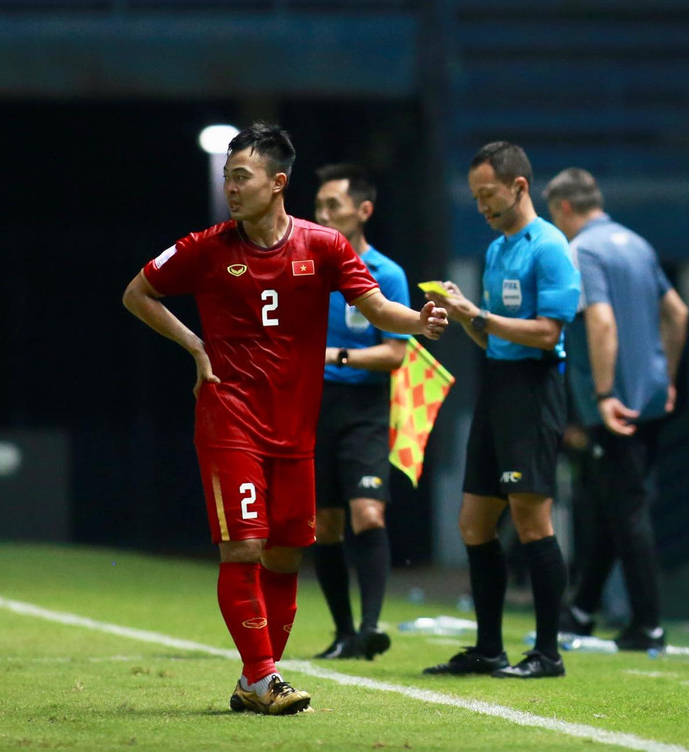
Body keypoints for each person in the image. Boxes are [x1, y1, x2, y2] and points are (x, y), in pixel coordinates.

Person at [122, 124, 447, 714]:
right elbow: (138, 293)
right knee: (243, 546)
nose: (230, 187)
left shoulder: (323, 247)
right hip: (230, 417)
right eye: (226, 176)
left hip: (295, 426)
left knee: (284, 553)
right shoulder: (205, 246)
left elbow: (374, 306)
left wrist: (420, 323)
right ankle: (264, 675)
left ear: (278, 183)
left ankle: (256, 682)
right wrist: (196, 347)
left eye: (240, 176)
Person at [422, 142, 581, 679]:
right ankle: (489, 649)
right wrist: (463, 314)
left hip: (535, 389)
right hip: (497, 384)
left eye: (488, 195)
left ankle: (549, 653)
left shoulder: (550, 248)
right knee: (473, 522)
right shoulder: (496, 250)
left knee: (532, 519)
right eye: (475, 197)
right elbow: (490, 340)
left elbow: (548, 333)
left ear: (519, 186)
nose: (481, 206)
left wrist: (479, 315)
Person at [543, 167, 689, 651]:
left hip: (614, 405)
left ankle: (647, 622)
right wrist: (666, 378)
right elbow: (678, 313)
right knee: (607, 501)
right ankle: (582, 608)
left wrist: (604, 396)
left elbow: (600, 321)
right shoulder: (637, 243)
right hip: (648, 397)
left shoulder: (582, 249)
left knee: (625, 507)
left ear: (564, 207)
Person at [308, 163, 411, 661]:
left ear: (363, 211)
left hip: (365, 406)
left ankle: (370, 628)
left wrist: (334, 355)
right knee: (322, 525)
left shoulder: (386, 274)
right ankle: (344, 633)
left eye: (334, 205)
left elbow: (396, 353)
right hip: (311, 405)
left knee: (368, 512)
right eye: (319, 205)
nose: (322, 214)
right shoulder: (303, 267)